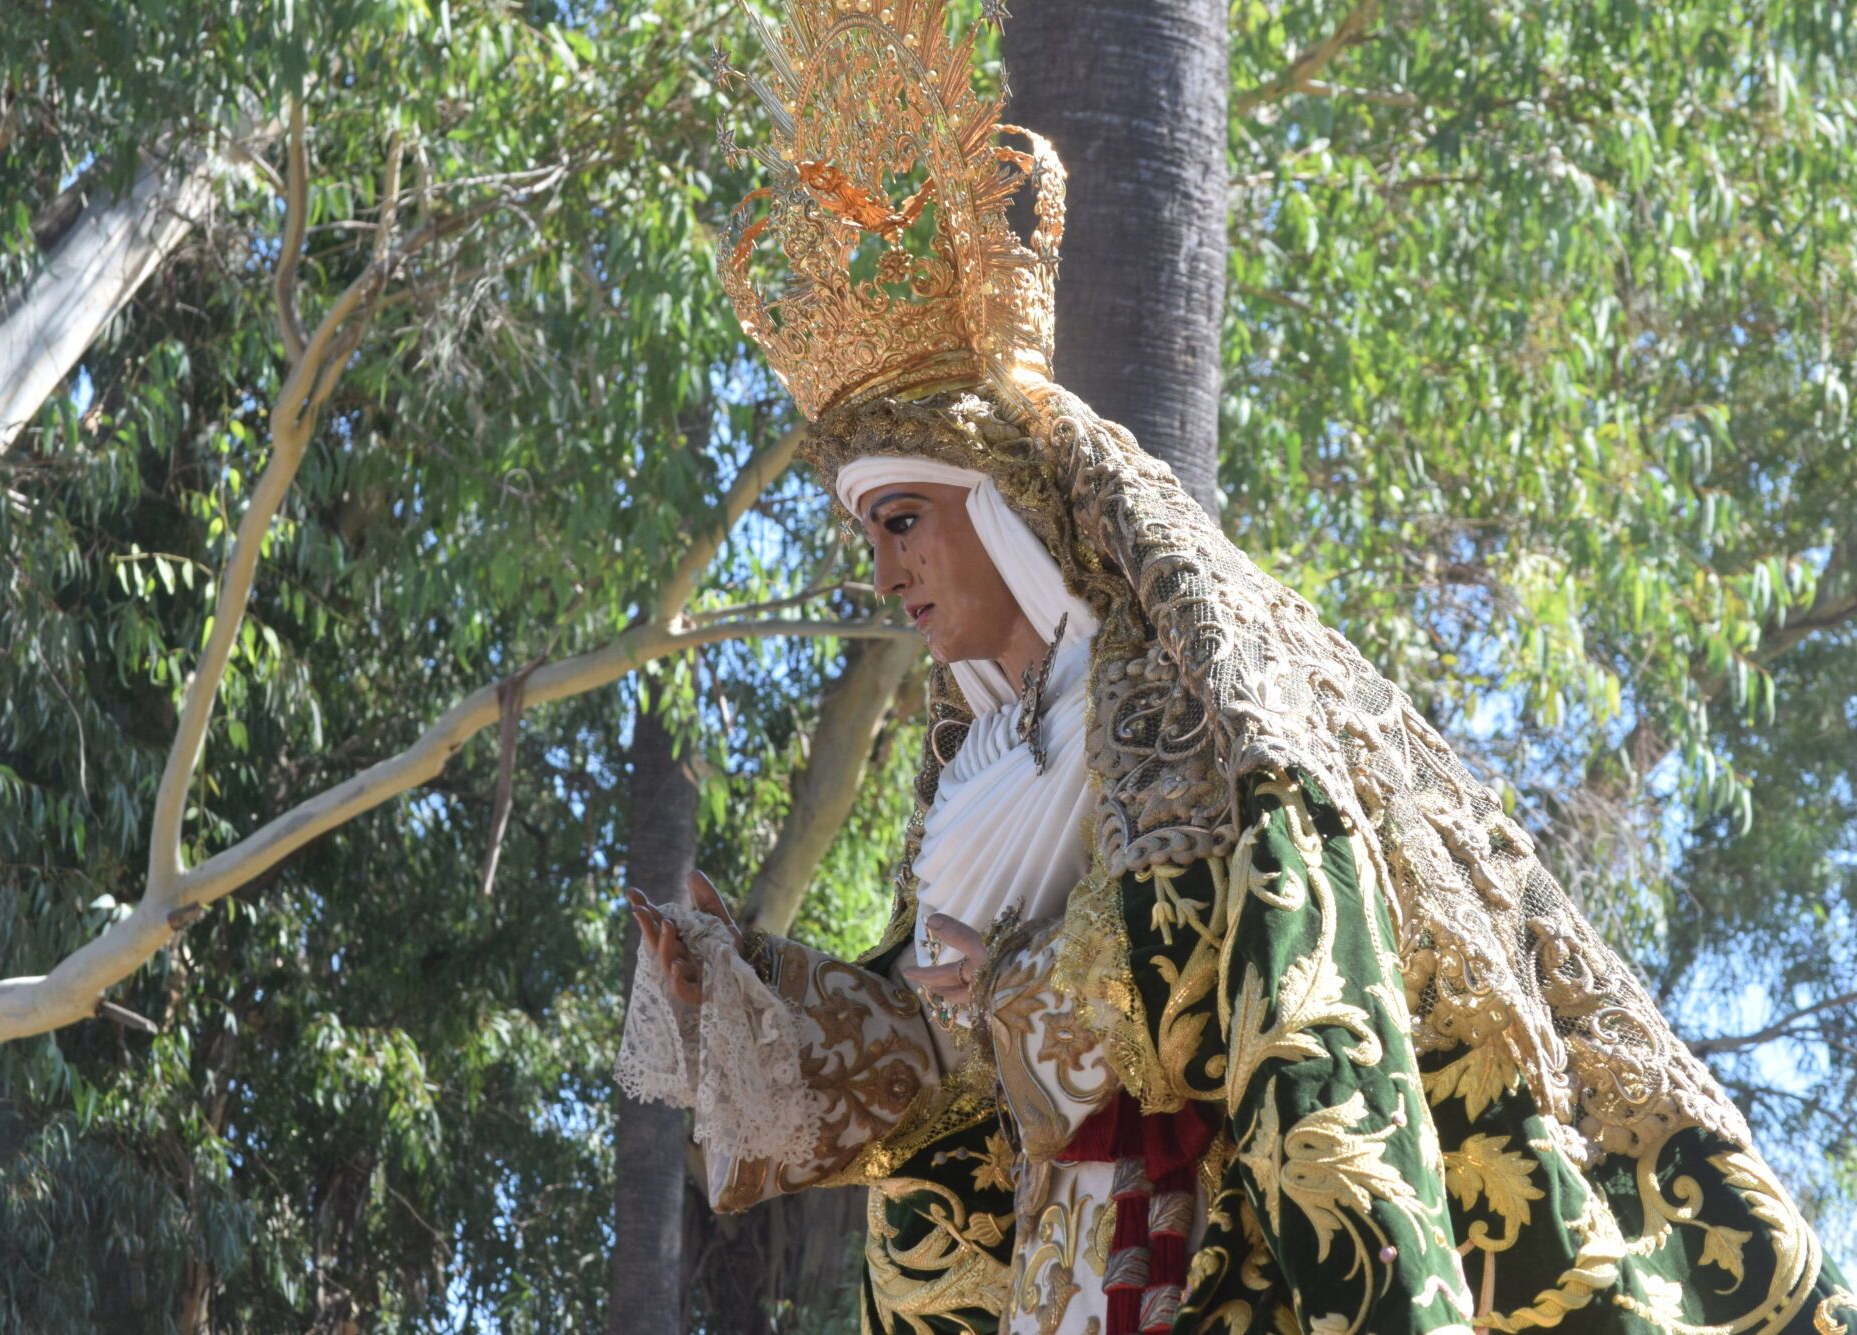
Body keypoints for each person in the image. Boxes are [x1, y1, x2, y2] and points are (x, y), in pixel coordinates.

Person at [614, 3, 1855, 1330]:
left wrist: (1028, 988)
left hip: (1212, 1260)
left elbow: (1284, 987)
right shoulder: (974, 769)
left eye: (902, 521)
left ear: (1010, 513)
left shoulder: (1193, 714)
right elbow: (949, 1078)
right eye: (869, 535)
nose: (883, 575)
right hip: (1059, 1282)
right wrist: (754, 987)